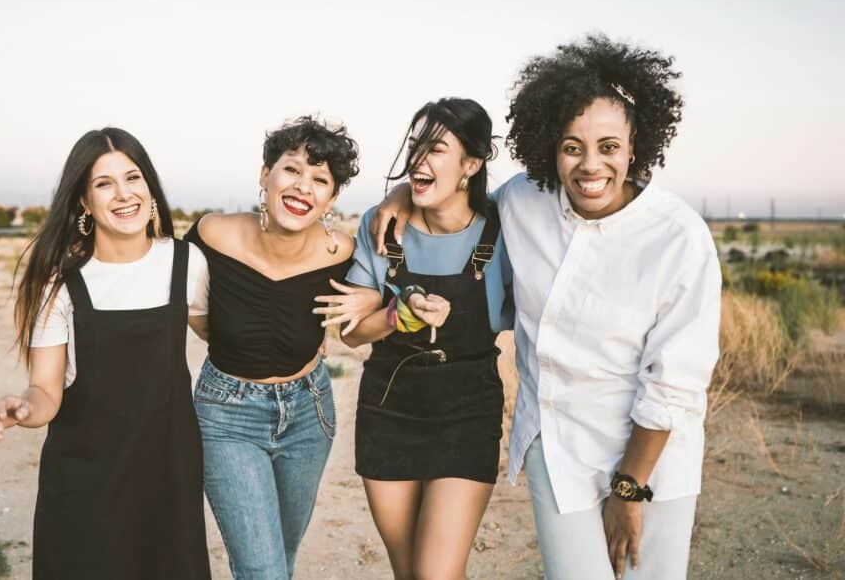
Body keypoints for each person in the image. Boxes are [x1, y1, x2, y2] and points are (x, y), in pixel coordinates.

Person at [373, 35, 721, 580]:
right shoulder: (523, 201)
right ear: (549, 147)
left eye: (609, 146)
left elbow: (675, 380)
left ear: (636, 146)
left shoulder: (677, 236)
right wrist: (398, 196)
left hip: (652, 459)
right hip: (556, 451)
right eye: (572, 146)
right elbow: (454, 198)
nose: (590, 165)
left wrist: (630, 488)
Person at [0, 127, 211, 579]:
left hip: (168, 475)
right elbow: (46, 389)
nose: (124, 194)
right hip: (86, 481)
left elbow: (224, 342)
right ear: (84, 201)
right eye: (104, 184)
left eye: (134, 178)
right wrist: (24, 408)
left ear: (149, 185)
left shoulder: (188, 263)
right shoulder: (60, 281)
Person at [184, 116, 373, 580]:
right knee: (263, 571)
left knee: (280, 561)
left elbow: (355, 332)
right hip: (226, 416)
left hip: (309, 413)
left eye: (321, 179)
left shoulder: (344, 253)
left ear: (331, 198)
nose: (303, 186)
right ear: (265, 175)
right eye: (292, 170)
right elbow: (195, 313)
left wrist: (377, 301)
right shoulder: (213, 235)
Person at [334, 98, 513, 580]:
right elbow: (350, 333)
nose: (419, 160)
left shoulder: (506, 230)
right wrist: (398, 315)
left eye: (435, 148)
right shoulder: (382, 224)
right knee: (410, 572)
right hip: (389, 411)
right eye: (414, 147)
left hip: (467, 416)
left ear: (471, 165)